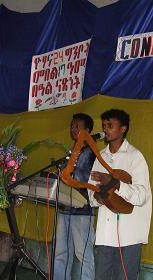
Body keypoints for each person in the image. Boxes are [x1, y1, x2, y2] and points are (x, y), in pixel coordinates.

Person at [88, 109, 152, 280]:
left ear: (123, 129)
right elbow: (91, 194)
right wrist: (99, 197)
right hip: (105, 235)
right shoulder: (100, 157)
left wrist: (115, 183)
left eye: (110, 125)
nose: (106, 129)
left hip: (129, 234)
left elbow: (141, 195)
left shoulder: (135, 157)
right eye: (104, 126)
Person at [53, 113, 96, 280]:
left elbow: (90, 181)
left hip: (83, 210)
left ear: (88, 130)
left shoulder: (93, 153)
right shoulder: (71, 152)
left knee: (84, 255)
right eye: (72, 125)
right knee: (61, 252)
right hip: (65, 207)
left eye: (77, 126)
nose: (73, 128)